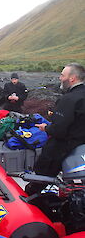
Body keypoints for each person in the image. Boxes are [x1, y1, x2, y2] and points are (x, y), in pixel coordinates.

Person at [25, 63, 85, 195]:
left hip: (62, 148)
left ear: (72, 78)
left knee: (37, 183)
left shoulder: (69, 99)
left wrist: (46, 128)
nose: (59, 78)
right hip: (79, 148)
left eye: (62, 75)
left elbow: (58, 129)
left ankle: (33, 199)